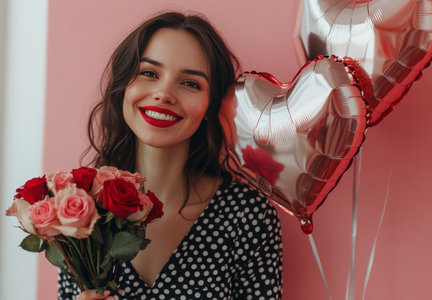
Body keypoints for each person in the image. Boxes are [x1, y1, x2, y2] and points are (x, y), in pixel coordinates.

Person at [57, 11, 283, 300]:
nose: (164, 93)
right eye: (149, 73)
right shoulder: (79, 211)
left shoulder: (248, 216)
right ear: (124, 87)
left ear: (210, 105)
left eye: (190, 83)